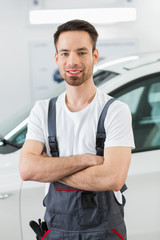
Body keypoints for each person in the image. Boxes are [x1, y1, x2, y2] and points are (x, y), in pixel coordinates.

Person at [20, 19, 135, 240]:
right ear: (56, 58)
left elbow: (112, 178)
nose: (72, 61)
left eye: (82, 52)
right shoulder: (42, 110)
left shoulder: (115, 111)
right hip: (56, 231)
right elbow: (27, 170)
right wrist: (86, 160)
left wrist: (50, 169)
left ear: (94, 55)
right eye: (64, 53)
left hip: (105, 233)